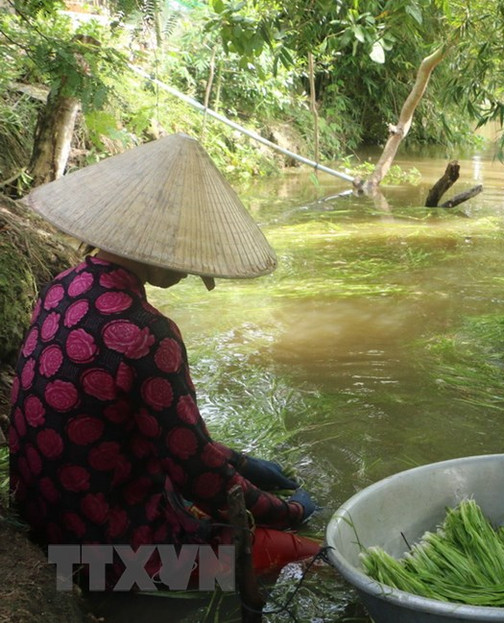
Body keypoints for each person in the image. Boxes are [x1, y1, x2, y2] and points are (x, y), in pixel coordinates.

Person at [6, 133, 319, 589]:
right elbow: (199, 475)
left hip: (45, 518)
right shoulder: (148, 334)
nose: (194, 269)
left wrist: (244, 462)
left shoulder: (63, 285)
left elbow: (165, 438)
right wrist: (290, 512)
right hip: (105, 562)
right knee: (311, 556)